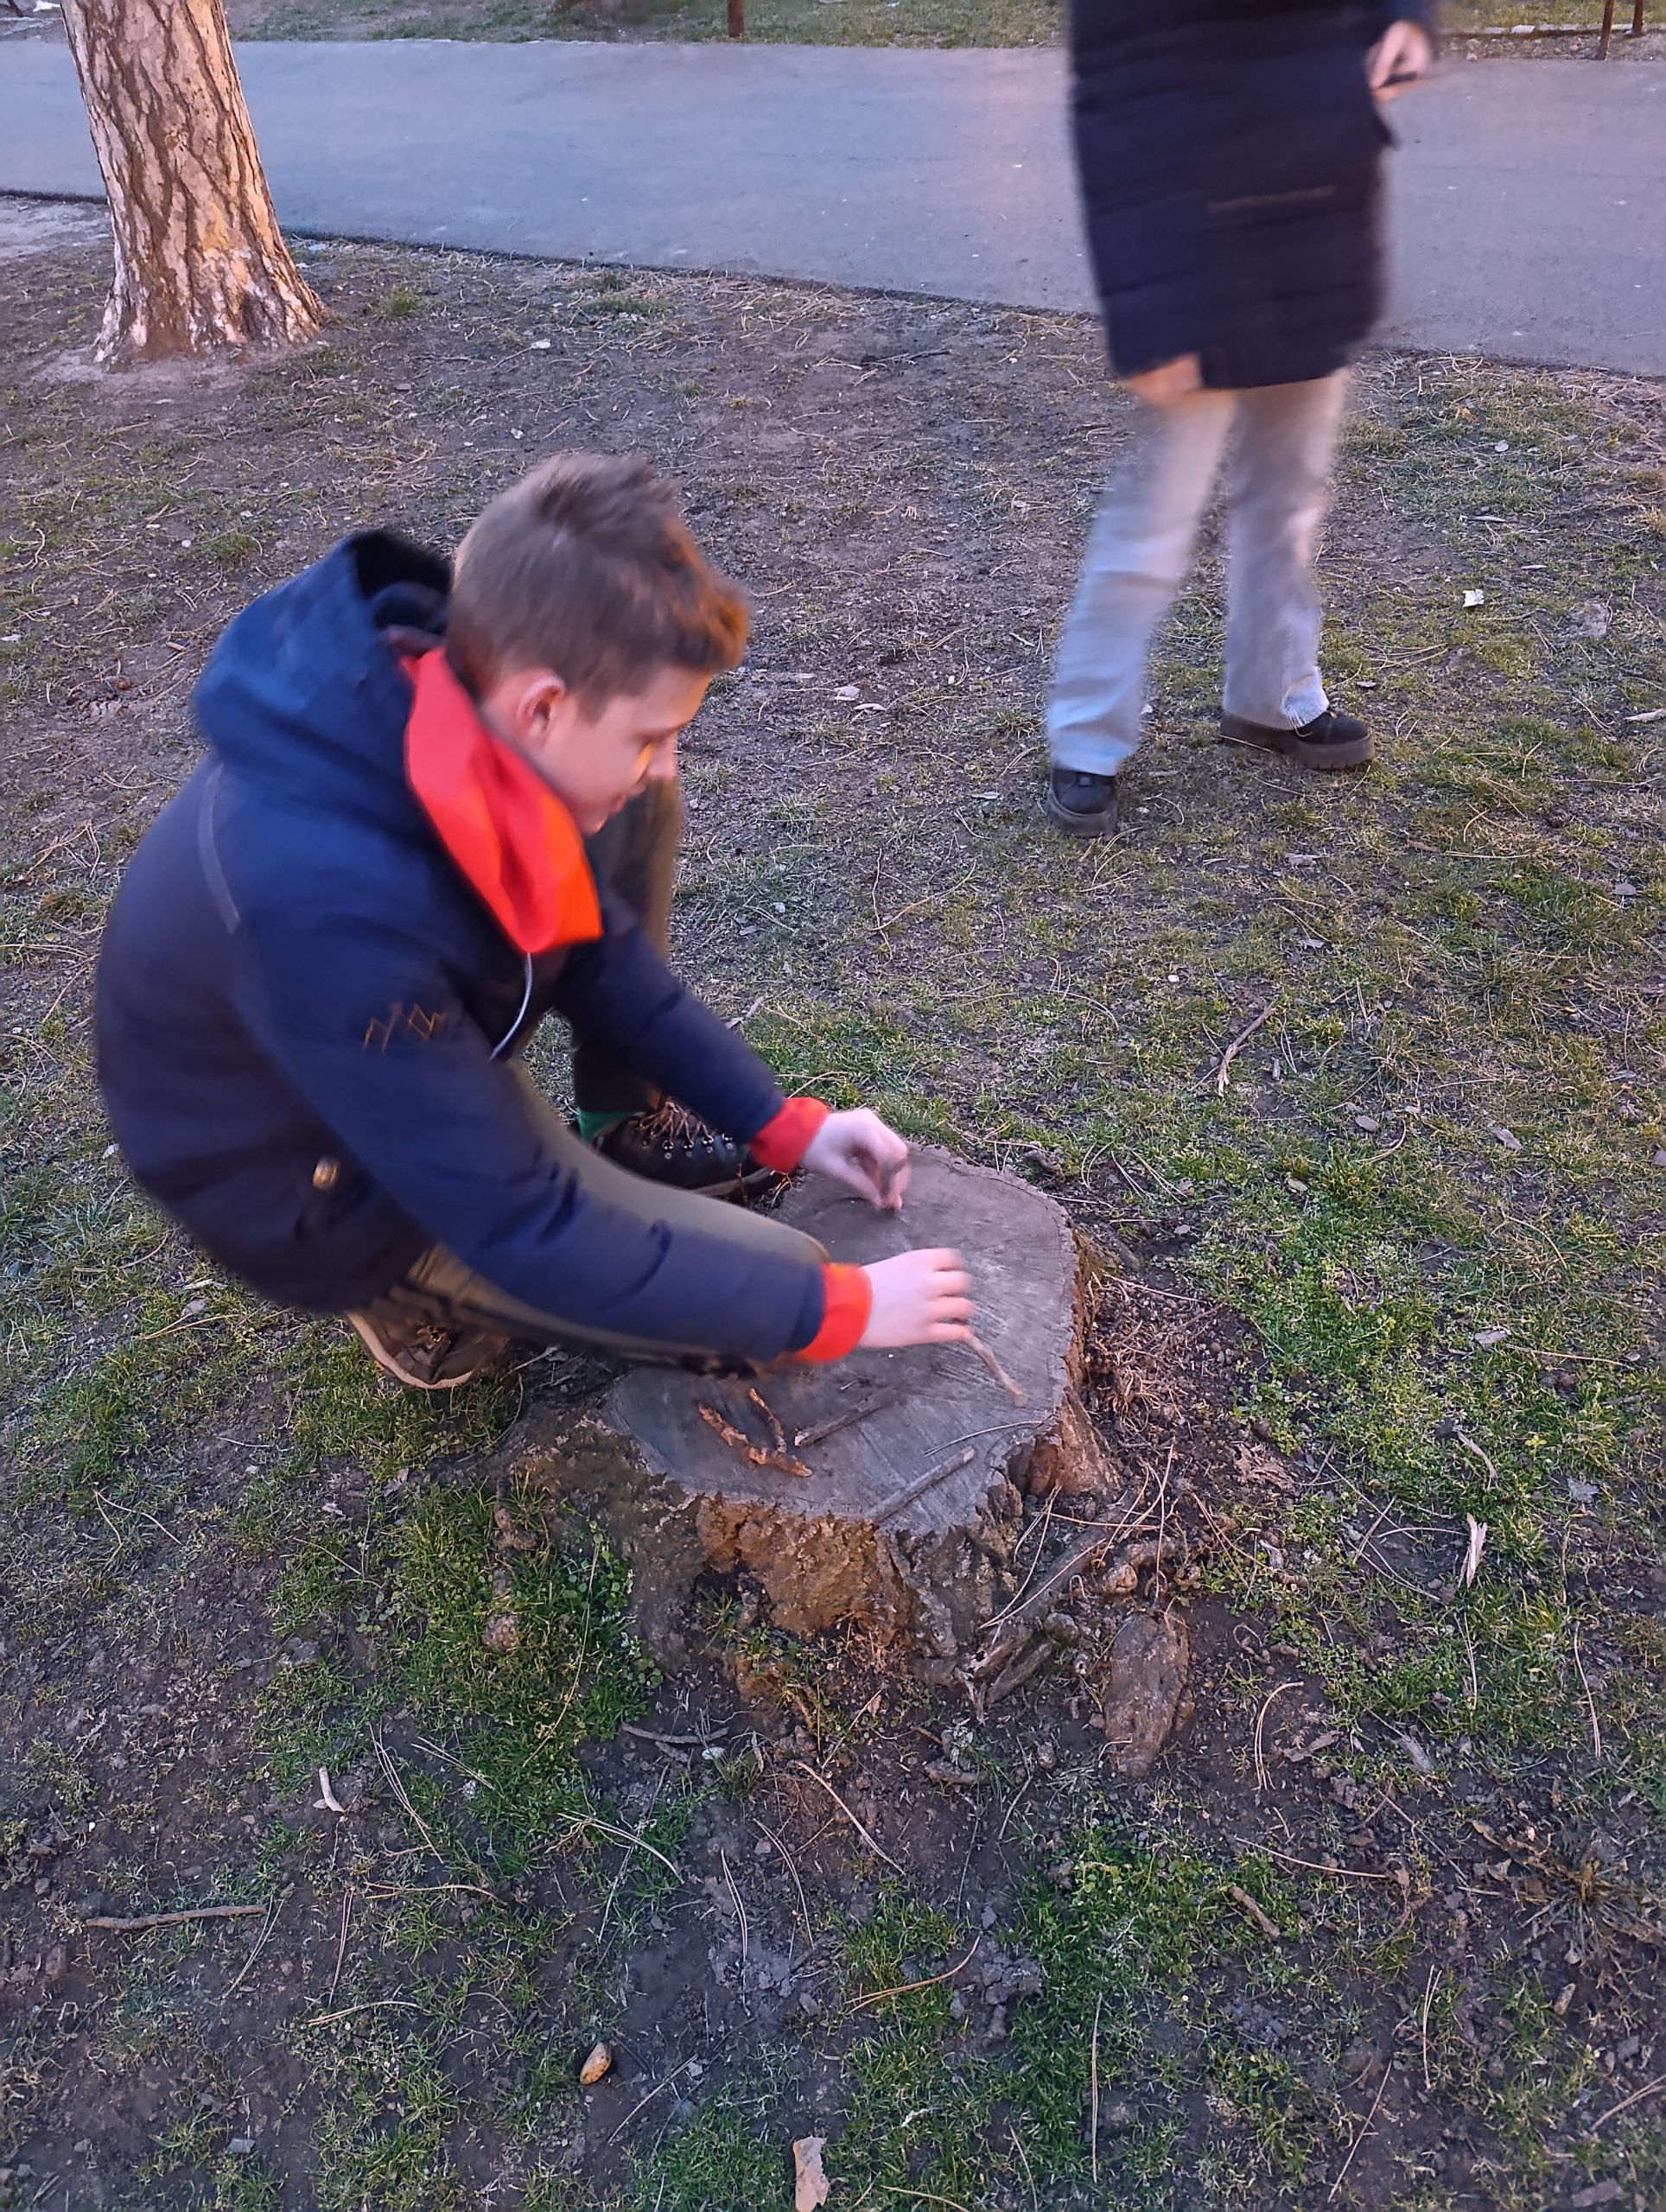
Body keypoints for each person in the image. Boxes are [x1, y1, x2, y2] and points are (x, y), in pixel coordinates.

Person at [96, 454, 974, 1388]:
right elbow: (527, 1222)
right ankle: (405, 1289)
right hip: (320, 1179)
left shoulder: (465, 703)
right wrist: (835, 1310)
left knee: (629, 808)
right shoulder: (335, 920)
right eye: (650, 735)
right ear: (543, 707)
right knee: (791, 1285)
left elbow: (598, 954)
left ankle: (609, 1132)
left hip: (393, 1045)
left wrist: (781, 1124)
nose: (667, 763)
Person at [1046, 0, 1434, 837]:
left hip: (1317, 212)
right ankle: (1087, 737)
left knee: (1290, 494)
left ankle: (1272, 697)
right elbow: (1112, 85)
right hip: (1192, 235)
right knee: (1157, 514)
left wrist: (1406, 17)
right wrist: (1144, 304)